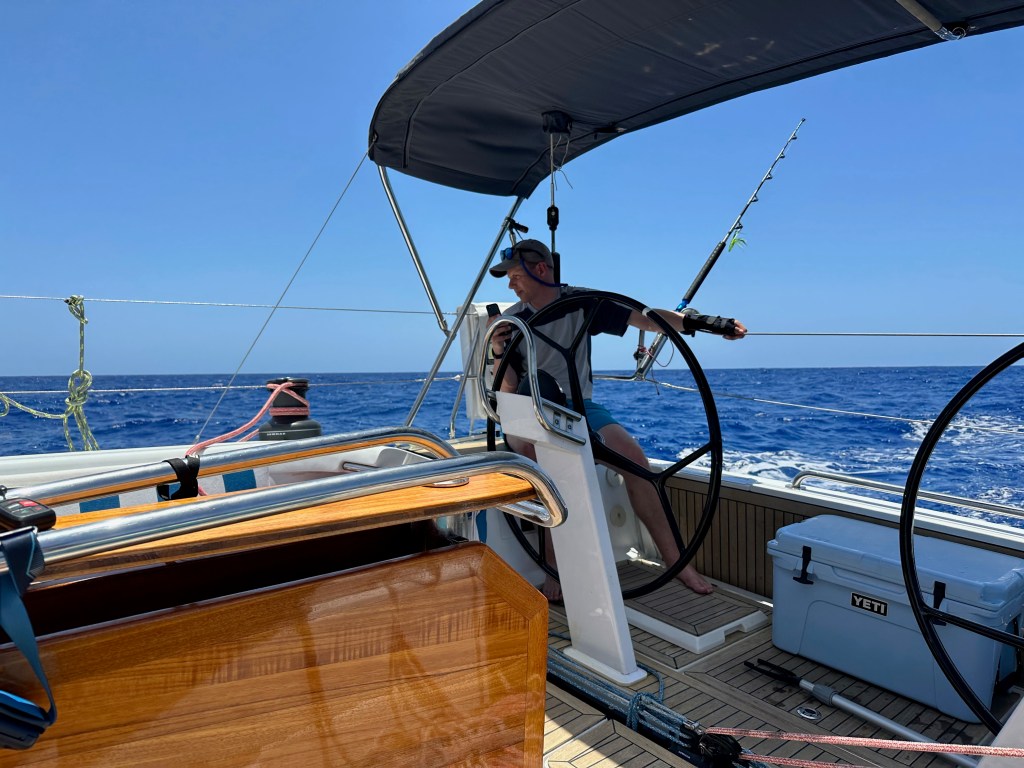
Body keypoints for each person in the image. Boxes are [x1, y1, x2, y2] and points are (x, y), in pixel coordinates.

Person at [487, 238, 747, 601]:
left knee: (636, 461)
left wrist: (706, 323)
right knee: (546, 465)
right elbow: (508, 389)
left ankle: (678, 564)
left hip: (578, 408)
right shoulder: (512, 322)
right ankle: (553, 567)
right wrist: (498, 349)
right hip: (528, 411)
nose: (510, 286)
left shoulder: (582, 303)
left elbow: (648, 319)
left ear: (541, 269)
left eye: (515, 276)